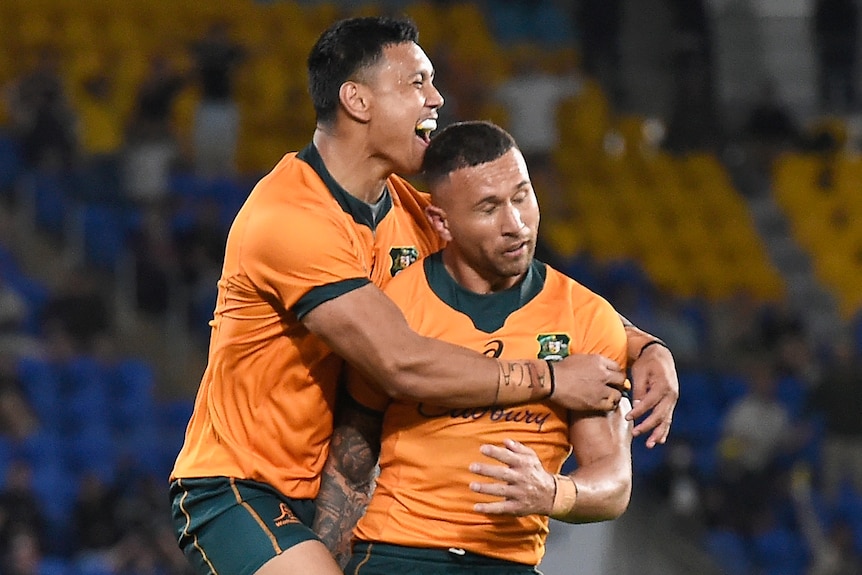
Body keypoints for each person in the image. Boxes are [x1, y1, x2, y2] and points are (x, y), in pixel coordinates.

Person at [169, 16, 677, 575]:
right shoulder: (289, 218)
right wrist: (551, 376)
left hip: (334, 489)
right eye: (417, 82)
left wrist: (641, 345)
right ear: (357, 99)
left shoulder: (413, 210)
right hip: (244, 484)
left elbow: (533, 289)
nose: (436, 97)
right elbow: (399, 363)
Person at [320, 120, 634, 572]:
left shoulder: (586, 318)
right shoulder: (395, 307)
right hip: (397, 554)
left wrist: (552, 493)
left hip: (508, 561)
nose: (516, 224)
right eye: (489, 208)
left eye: (522, 196)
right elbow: (351, 460)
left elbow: (613, 480)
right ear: (441, 223)